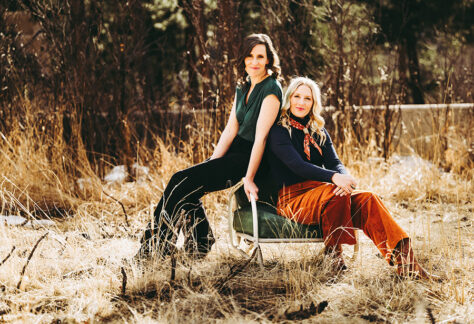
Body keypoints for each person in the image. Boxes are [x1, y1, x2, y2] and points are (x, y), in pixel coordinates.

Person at [267, 76, 435, 279]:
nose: (301, 102)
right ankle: (334, 257)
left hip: (325, 193)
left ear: (314, 103)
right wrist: (334, 178)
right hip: (292, 199)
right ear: (289, 98)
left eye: (307, 99)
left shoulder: (318, 131)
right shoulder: (278, 131)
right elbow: (298, 166)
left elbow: (335, 163)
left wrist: (344, 179)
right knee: (334, 193)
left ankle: (408, 265)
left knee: (369, 199)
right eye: (297, 96)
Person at [137, 34, 283, 259]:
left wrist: (250, 178)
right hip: (234, 153)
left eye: (260, 56)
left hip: (251, 159)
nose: (254, 61)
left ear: (268, 59)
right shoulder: (243, 85)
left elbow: (261, 139)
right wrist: (212, 163)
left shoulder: (271, 90)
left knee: (179, 180)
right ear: (243, 59)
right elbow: (230, 129)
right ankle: (200, 241)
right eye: (250, 55)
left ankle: (154, 249)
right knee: (188, 185)